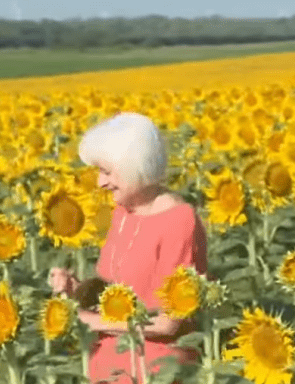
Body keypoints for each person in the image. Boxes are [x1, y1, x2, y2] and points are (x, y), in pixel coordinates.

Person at [49, 112, 208, 384]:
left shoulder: (179, 221)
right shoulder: (123, 211)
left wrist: (87, 319)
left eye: (107, 172)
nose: (100, 182)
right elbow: (120, 290)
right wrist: (76, 290)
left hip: (155, 369)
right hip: (108, 363)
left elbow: (168, 323)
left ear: (137, 167)